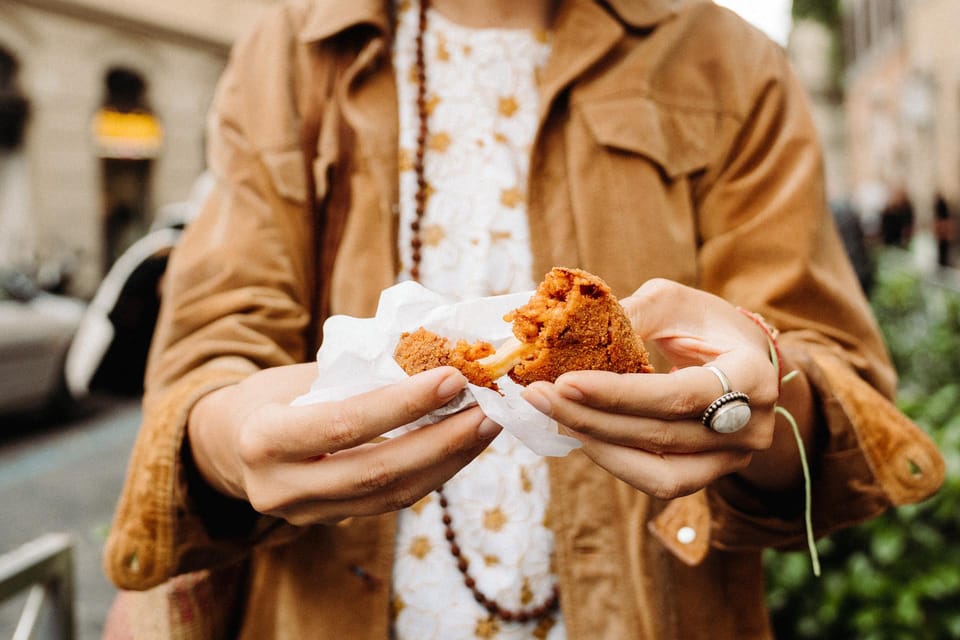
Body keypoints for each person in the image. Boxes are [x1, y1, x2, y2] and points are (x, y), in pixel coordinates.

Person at [102, 0, 944, 638]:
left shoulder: (730, 62)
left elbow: (834, 390)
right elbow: (212, 348)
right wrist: (232, 441)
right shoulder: (289, 54)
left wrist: (757, 399)